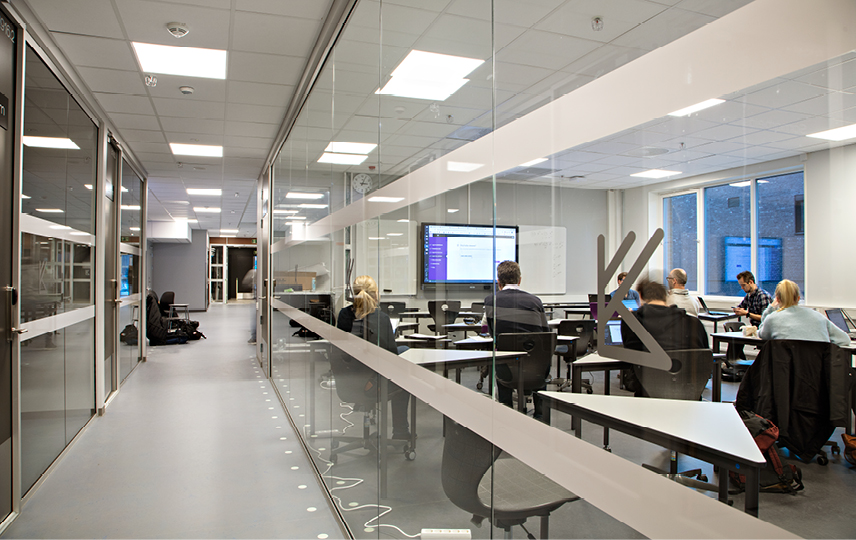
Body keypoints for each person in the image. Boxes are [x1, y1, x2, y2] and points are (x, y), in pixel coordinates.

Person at [337, 275, 411, 439]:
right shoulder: (381, 318)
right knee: (404, 372)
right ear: (376, 294)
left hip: (348, 382)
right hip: (371, 384)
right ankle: (400, 431)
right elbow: (391, 358)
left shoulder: (343, 315)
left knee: (404, 350)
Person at [484, 260, 550, 419]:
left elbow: (492, 334)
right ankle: (541, 415)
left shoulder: (490, 301)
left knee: (501, 359)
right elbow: (546, 333)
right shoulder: (535, 301)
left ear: (498, 282)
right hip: (536, 368)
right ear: (519, 280)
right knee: (540, 359)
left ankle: (506, 413)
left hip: (507, 370)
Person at [621, 279, 709, 396]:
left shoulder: (632, 322)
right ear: (666, 297)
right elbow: (704, 358)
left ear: (641, 296)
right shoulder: (694, 323)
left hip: (647, 392)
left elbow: (629, 356)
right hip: (689, 394)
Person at [758, 279, 850, 346]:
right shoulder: (819, 317)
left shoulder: (772, 319)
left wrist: (771, 307)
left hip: (786, 367)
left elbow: (762, 334)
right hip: (816, 366)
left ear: (777, 299)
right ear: (798, 298)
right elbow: (844, 339)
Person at [243, 269, 256, 344]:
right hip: (260, 299)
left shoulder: (253, 272)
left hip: (257, 299)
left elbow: (245, 282)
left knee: (255, 318)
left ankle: (254, 337)